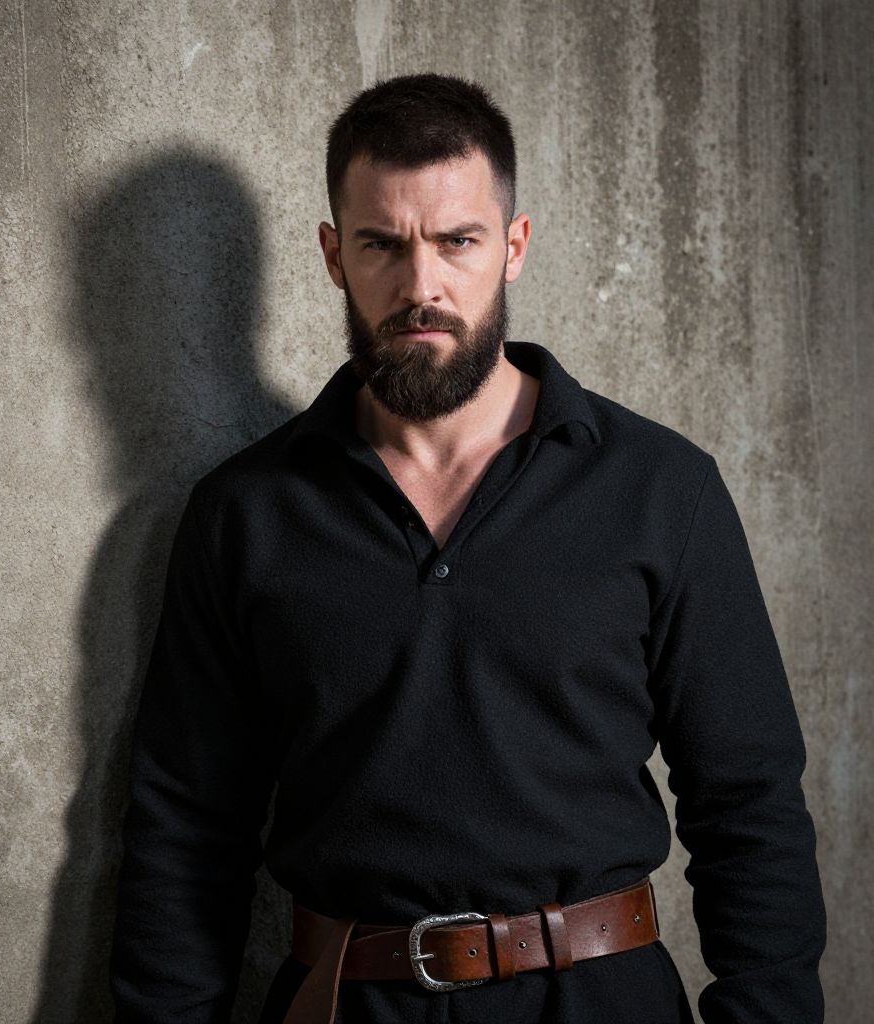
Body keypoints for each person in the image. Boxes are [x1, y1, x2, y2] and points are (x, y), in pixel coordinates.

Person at [108, 74, 826, 1024]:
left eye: (458, 240)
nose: (421, 286)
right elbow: (187, 837)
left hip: (600, 1004)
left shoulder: (661, 490)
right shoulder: (243, 515)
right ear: (333, 256)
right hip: (345, 1006)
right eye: (381, 245)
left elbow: (751, 810)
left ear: (513, 246)